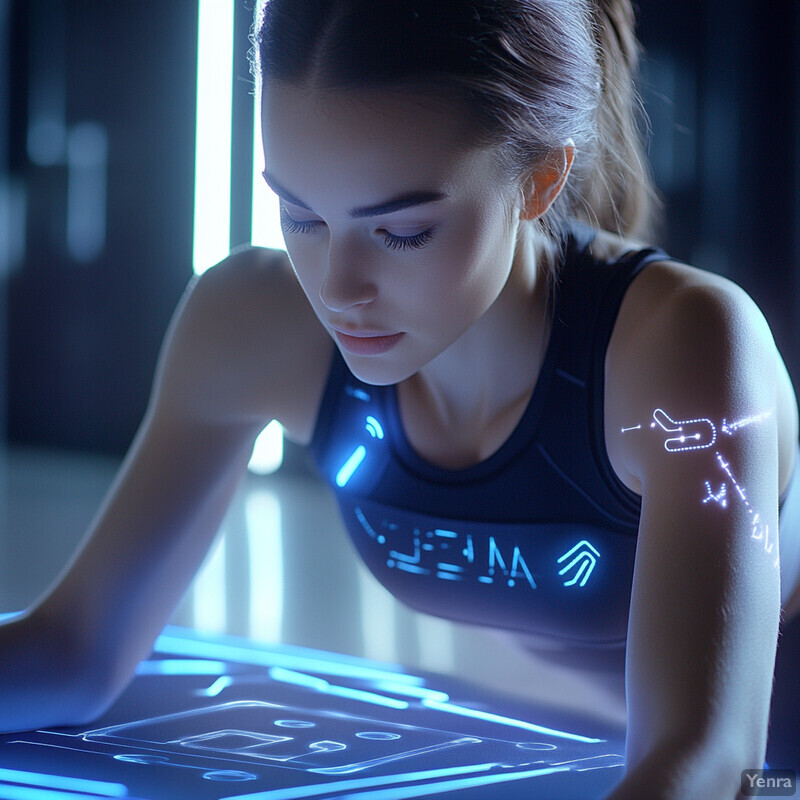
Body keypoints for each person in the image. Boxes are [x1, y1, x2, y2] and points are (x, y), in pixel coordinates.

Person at [1, 0, 798, 796]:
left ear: (540, 178)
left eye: (402, 231)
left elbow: (715, 762)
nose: (339, 289)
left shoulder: (687, 355)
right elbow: (72, 651)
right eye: (300, 215)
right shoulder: (248, 324)